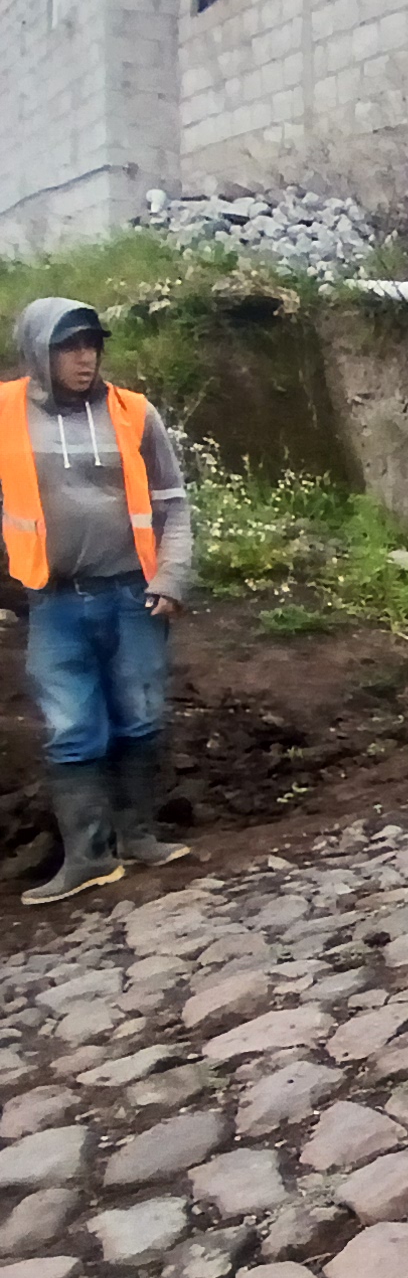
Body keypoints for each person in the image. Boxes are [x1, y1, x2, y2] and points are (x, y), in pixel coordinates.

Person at [2, 298, 195, 906]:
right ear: (38, 351)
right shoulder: (5, 412)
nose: (84, 358)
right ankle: (88, 857)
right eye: (69, 346)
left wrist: (172, 577)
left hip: (134, 596)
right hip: (54, 602)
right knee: (71, 728)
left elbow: (172, 503)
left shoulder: (133, 413)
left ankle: (138, 836)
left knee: (140, 717)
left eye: (91, 345)